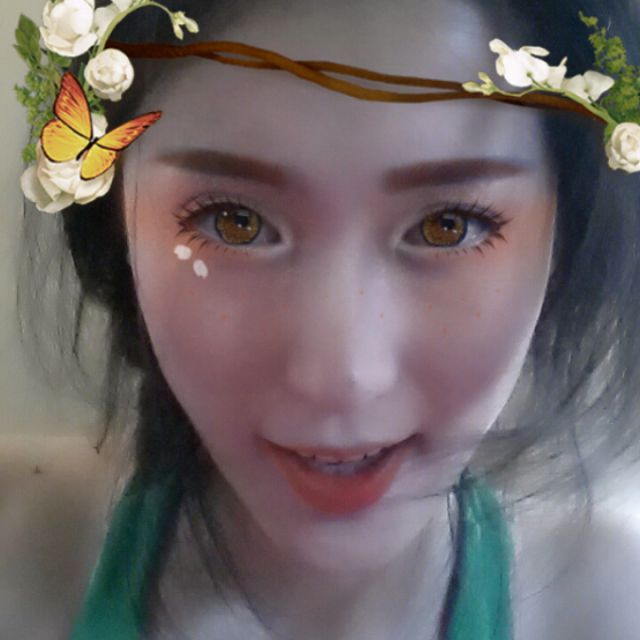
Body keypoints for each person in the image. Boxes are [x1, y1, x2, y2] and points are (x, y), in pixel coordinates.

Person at [13, 0, 640, 638]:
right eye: (235, 222)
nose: (341, 380)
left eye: (447, 226)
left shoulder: (611, 605)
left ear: (567, 241)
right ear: (113, 230)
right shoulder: (20, 552)